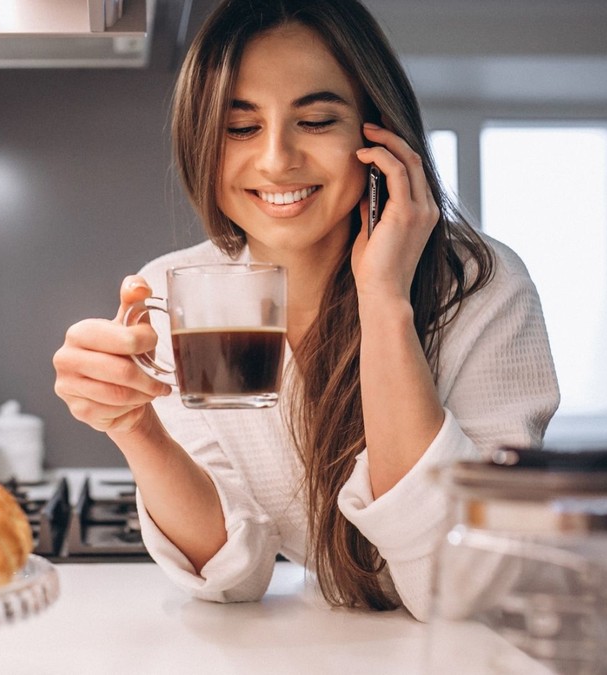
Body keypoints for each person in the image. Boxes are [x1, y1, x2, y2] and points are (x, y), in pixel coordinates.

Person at [52, 0, 559, 620]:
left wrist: (384, 300)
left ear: (379, 132)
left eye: (316, 120)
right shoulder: (176, 289)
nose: (275, 160)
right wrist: (135, 428)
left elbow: (461, 586)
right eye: (241, 128)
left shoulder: (479, 285)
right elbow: (234, 574)